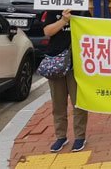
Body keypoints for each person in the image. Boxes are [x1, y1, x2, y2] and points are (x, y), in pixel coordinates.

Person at [43, 9, 88, 152]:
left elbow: (93, 32)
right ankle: (61, 136)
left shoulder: (83, 12)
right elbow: (47, 32)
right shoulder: (52, 10)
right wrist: (63, 20)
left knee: (78, 103)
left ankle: (80, 137)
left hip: (78, 65)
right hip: (56, 64)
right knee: (58, 103)